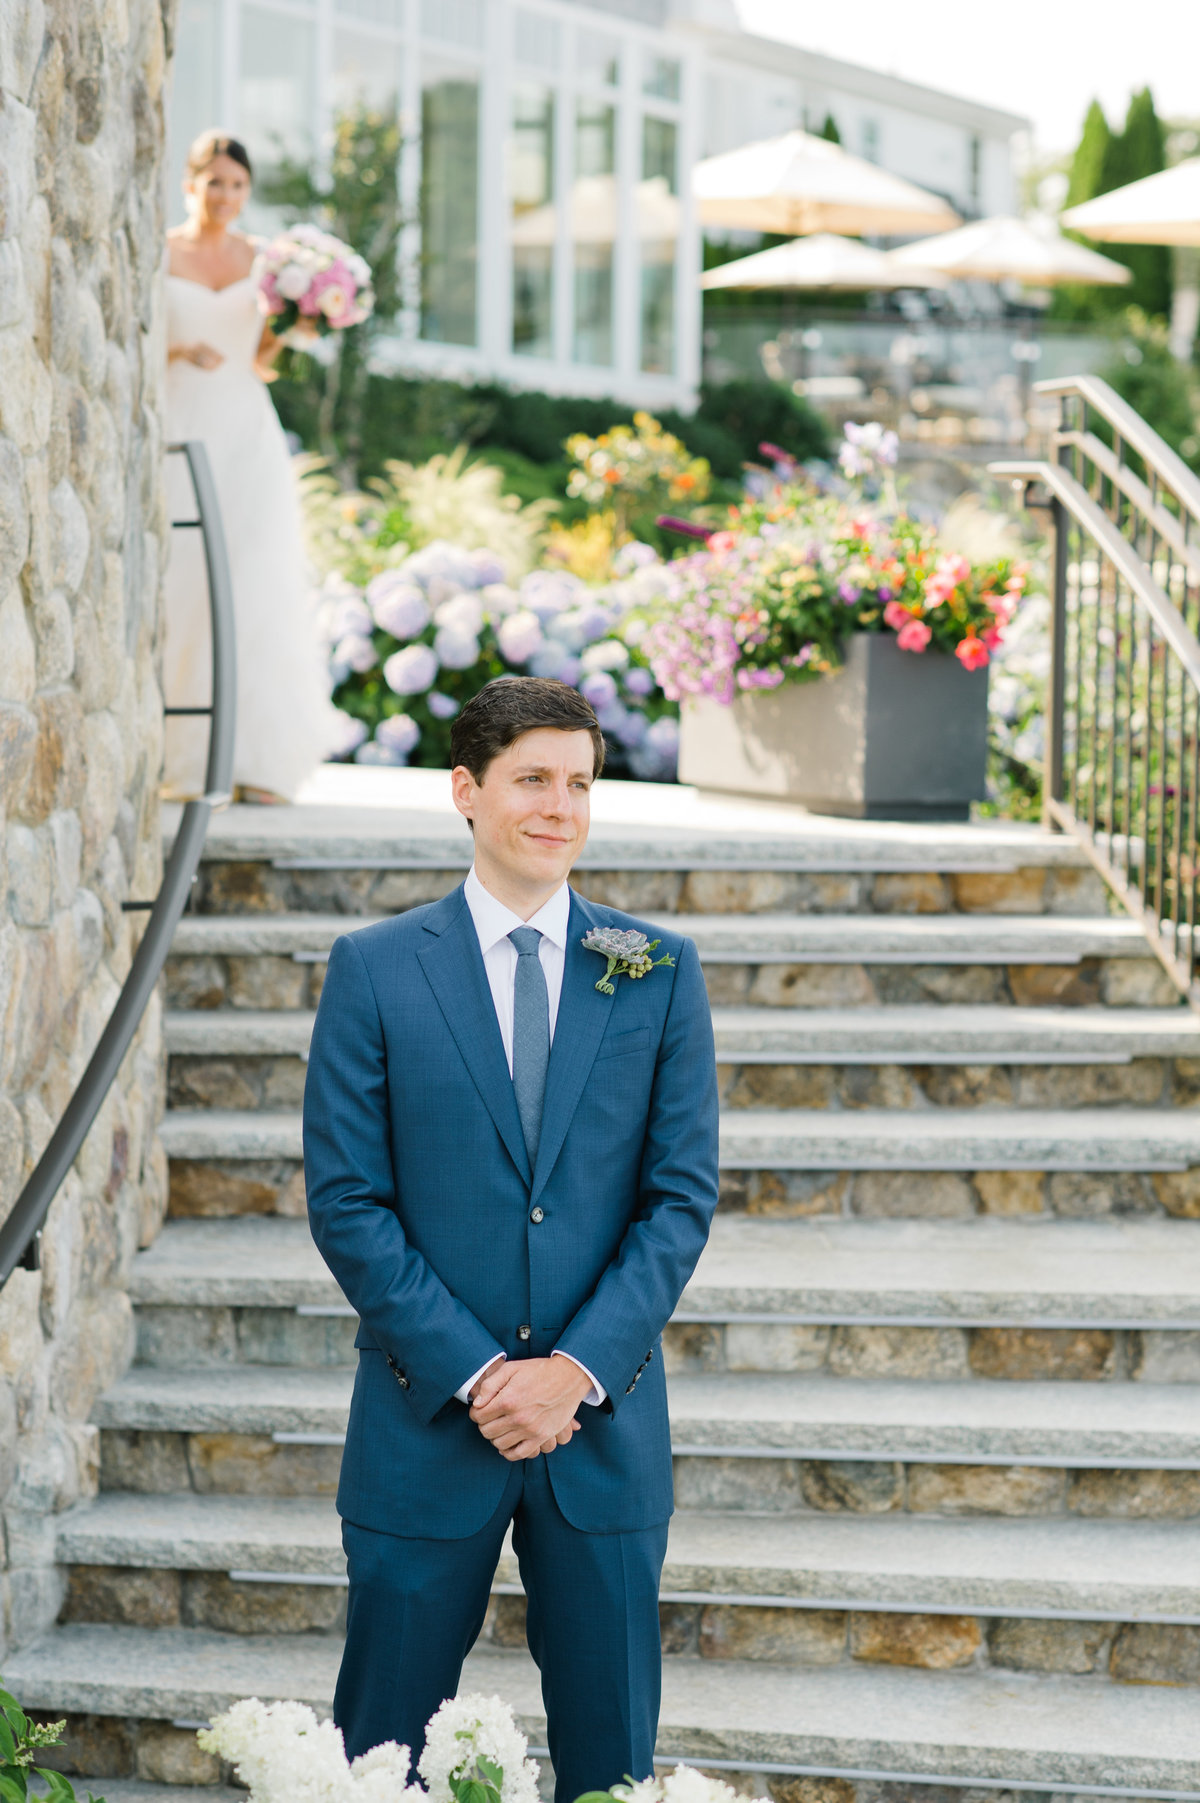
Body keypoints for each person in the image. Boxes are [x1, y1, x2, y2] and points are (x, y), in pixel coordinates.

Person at [303, 677, 720, 1801]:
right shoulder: (376, 969)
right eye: (533, 778)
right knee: (381, 1761)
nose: (560, 806)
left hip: (601, 1439)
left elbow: (680, 1198)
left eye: (579, 782)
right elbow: (347, 1201)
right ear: (465, 790)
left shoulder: (658, 970)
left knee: (611, 1766)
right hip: (425, 1425)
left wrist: (572, 1373)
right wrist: (487, 1375)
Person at [163, 130, 340, 804]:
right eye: (214, 182)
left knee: (254, 587)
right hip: (184, 423)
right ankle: (181, 757)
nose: (226, 196)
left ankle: (258, 759)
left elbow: (264, 358)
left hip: (246, 429)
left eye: (237, 184)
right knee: (185, 587)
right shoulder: (162, 252)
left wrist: (309, 321)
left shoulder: (267, 261)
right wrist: (179, 349)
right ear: (191, 182)